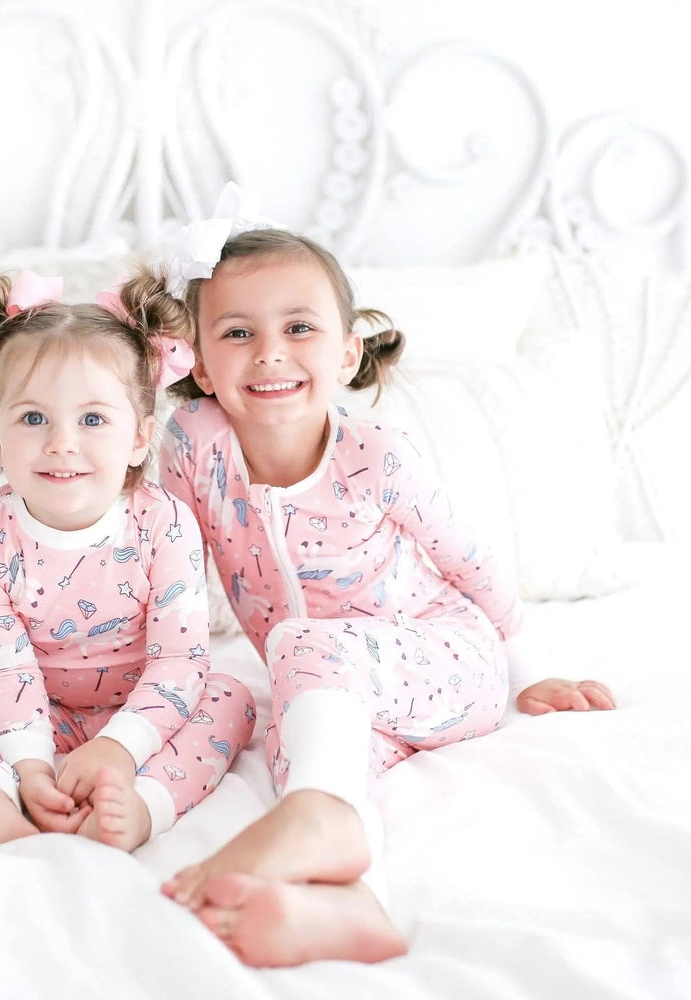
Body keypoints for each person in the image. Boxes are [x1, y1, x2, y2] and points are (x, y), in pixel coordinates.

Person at [120, 186, 615, 966]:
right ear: (201, 365)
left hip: (446, 658)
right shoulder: (194, 444)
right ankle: (358, 906)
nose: (270, 352)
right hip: (323, 682)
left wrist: (533, 669)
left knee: (303, 652)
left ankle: (321, 822)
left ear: (346, 353)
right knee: (299, 747)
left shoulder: (375, 454)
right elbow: (170, 567)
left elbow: (468, 559)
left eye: (299, 329)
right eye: (238, 333)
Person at [0, 269, 256, 854]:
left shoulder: (164, 524)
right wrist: (30, 767)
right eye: (33, 418)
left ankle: (141, 808)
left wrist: (121, 748)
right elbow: (5, 665)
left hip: (148, 709)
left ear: (139, 438)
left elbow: (180, 657)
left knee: (231, 697)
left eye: (93, 419)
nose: (61, 442)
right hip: (38, 707)